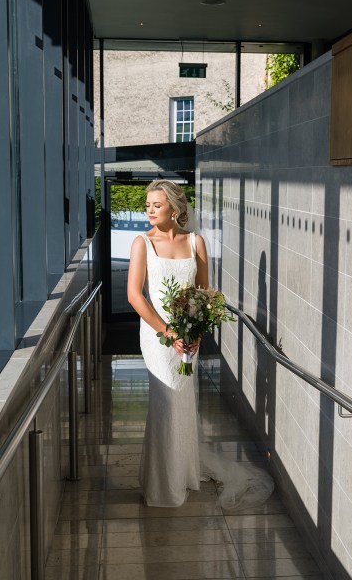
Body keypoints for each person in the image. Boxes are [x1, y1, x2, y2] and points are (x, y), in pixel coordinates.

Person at [127, 179, 208, 507]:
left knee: (183, 403)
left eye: (156, 205)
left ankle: (181, 476)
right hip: (158, 338)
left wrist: (196, 330)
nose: (149, 210)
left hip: (188, 340)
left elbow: (204, 292)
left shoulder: (196, 243)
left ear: (175, 208)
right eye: (147, 205)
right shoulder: (141, 243)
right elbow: (135, 295)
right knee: (167, 404)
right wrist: (168, 332)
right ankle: (163, 489)